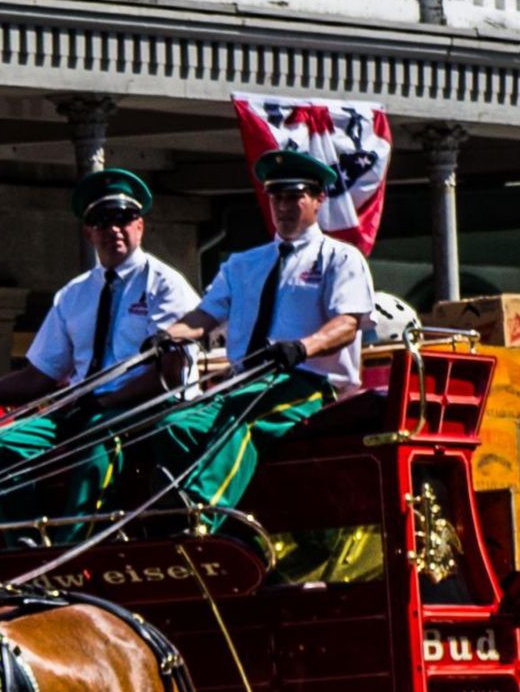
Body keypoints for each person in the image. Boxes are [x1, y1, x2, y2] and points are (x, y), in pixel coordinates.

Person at [0, 167, 199, 536]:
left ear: (140, 226)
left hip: (144, 409)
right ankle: (26, 544)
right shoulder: (74, 294)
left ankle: (72, 546)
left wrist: (103, 402)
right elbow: (39, 376)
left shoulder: (165, 284)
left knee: (94, 437)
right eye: (102, 220)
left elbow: (169, 376)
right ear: (88, 232)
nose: (114, 228)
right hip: (84, 410)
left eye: (123, 218)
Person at [133, 148, 378, 529]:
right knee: (175, 425)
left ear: (318, 198)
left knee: (242, 418)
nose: (283, 207)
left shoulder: (340, 258)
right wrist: (166, 336)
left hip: (309, 383)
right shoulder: (243, 263)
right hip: (245, 382)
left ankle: (200, 514)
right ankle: (174, 518)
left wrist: (301, 348)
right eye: (276, 197)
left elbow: (347, 323)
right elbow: (205, 316)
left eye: (294, 196)